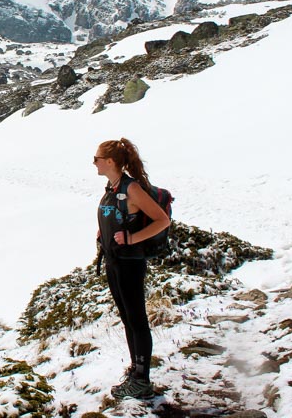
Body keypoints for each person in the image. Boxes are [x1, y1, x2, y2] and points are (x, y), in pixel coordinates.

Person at [94, 138, 171, 399]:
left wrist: (131, 239)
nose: (94, 163)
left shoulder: (132, 188)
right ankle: (136, 371)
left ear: (111, 161)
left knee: (137, 320)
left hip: (129, 263)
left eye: (97, 159)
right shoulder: (113, 188)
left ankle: (142, 380)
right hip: (114, 261)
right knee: (128, 319)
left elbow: (162, 220)